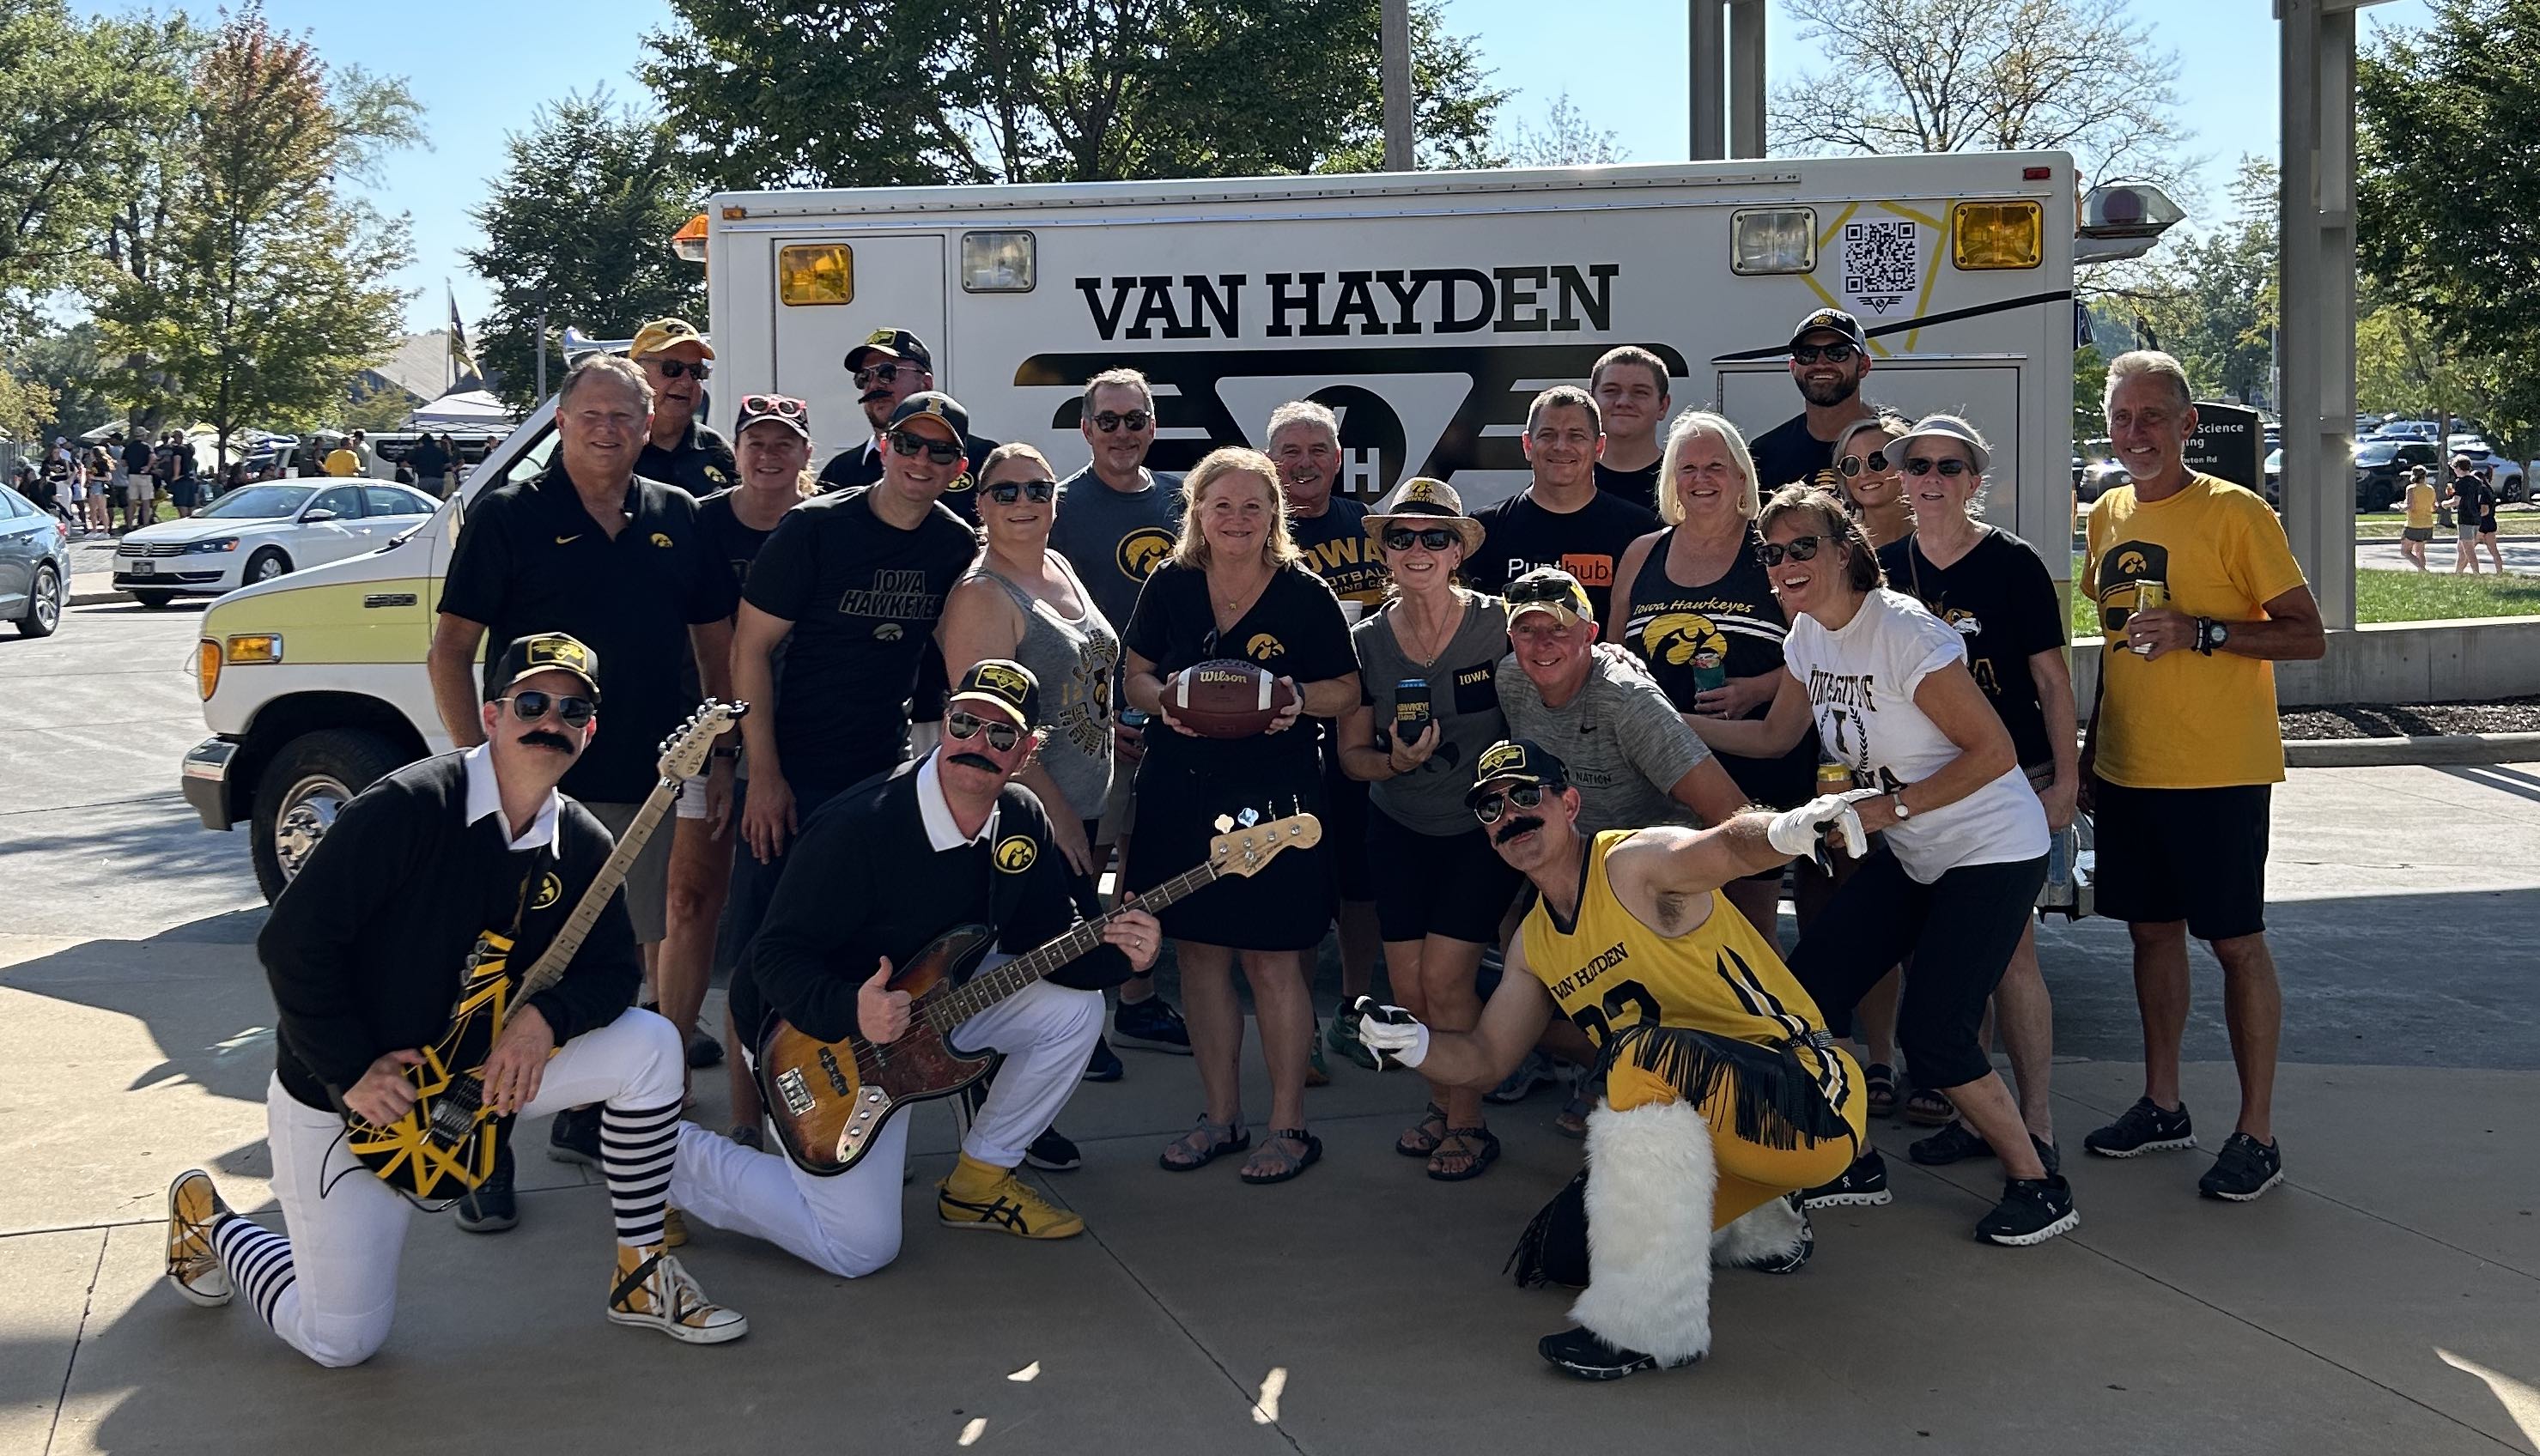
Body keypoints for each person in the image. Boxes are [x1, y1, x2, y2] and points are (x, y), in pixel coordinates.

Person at [162, 633, 747, 1362]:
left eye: (572, 711)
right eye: (532, 702)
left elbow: (607, 975)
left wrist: (544, 1020)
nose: (550, 721)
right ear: (492, 714)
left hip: (484, 1075)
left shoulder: (585, 843)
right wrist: (349, 1069)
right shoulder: (407, 807)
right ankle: (212, 1225)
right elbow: (292, 944)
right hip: (361, 1098)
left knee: (652, 1045)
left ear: (589, 733)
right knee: (340, 1339)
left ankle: (641, 1268)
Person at [1355, 739, 1874, 1380]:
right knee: (1563, 1255)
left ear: (1569, 803)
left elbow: (1726, 847)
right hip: (1716, 1122)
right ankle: (1768, 1222)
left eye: (1526, 796)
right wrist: (1420, 1046)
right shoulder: (1534, 942)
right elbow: (1487, 1059)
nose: (1510, 815)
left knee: (1634, 1056)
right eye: (1491, 808)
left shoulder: (1632, 864)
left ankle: (1646, 1328)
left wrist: (1790, 828)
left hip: (1807, 1097)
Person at [676, 661, 1160, 1269]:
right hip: (807, 1031)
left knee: (1073, 1011)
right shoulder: (859, 826)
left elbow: (1046, 943)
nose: (978, 745)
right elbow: (773, 958)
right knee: (859, 1249)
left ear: (1027, 752)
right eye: (965, 722)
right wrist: (852, 1007)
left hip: (929, 1009)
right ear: (944, 723)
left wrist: (1123, 954)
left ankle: (979, 1183)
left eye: (1002, 735)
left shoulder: (1022, 820)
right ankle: (661, 1155)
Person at [1703, 484, 2072, 1242]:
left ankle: (2038, 1184)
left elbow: (1995, 752)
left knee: (1935, 1033)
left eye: (1803, 547)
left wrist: (1886, 809)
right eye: (1772, 554)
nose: (1785, 564)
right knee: (1805, 996)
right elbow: (1776, 739)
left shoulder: (1903, 633)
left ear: (1846, 551)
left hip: (1990, 848)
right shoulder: (1805, 635)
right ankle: (1854, 1159)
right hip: (1910, 849)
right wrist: (1663, 717)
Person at [428, 355, 741, 1210]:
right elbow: (451, 651)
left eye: (625, 416)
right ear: (561, 422)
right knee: (501, 969)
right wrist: (478, 767)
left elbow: (715, 647)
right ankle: (480, 1153)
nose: (609, 428)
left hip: (644, 789)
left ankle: (585, 1114)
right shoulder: (506, 517)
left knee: (608, 965)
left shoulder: (678, 516)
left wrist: (717, 746)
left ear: (650, 427)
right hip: (528, 784)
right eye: (592, 414)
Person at [2081, 349, 2324, 1202]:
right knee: (2150, 935)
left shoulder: (2236, 512)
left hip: (2219, 768)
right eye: (2121, 417)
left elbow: (2307, 634)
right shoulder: (2106, 512)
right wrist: (2088, 755)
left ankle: (2257, 1133)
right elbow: (2117, 643)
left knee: (2234, 942)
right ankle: (2162, 1103)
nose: (2136, 433)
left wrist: (2207, 634)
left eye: (2153, 417)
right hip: (2129, 766)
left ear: (2188, 425)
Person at [1123, 446, 1360, 1184]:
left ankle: (1288, 1124)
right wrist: (1164, 702)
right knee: (1197, 955)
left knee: (1273, 958)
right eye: (1221, 504)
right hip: (1181, 787)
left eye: (1252, 506)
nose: (1236, 518)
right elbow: (1134, 674)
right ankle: (1220, 1116)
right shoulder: (1171, 584)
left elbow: (1346, 690)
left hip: (1276, 793)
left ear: (1274, 517)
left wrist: (1292, 699)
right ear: (1197, 510)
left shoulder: (1303, 592)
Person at [1875, 414, 2075, 1168]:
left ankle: (2037, 1124)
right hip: (1921, 793)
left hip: (2010, 785)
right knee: (1957, 963)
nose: (1931, 479)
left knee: (2012, 957)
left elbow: (2052, 682)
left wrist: (2066, 782)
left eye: (1949, 467)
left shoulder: (2012, 565)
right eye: (1918, 466)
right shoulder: (1884, 567)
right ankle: (1978, 1116)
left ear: (1975, 481)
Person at [725, 389, 980, 980]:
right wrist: (762, 776)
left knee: (853, 951)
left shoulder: (953, 544)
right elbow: (749, 648)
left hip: (877, 774)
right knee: (762, 953)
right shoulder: (813, 529)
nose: (922, 460)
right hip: (789, 771)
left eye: (941, 452)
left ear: (959, 469)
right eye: (910, 443)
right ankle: (748, 1075)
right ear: (885, 446)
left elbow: (961, 654)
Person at [1335, 477, 1521, 1179]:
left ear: (1457, 552)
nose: (1418, 548)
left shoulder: (1498, 624)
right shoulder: (1365, 643)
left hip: (1482, 828)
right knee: (1408, 986)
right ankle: (1443, 1102)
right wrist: (1392, 761)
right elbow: (1352, 759)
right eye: (1402, 536)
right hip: (1399, 825)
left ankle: (1469, 1125)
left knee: (1447, 979)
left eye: (1434, 536)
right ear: (1384, 550)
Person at [939, 440, 1127, 1108]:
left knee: (1061, 971)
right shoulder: (982, 595)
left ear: (1056, 499)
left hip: (1087, 803)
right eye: (1006, 491)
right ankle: (1000, 1128)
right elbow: (988, 738)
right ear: (980, 504)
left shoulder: (1059, 566)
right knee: (1019, 977)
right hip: (1026, 817)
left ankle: (1025, 1116)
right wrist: (1059, 816)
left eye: (1037, 489)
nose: (1024, 503)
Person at [659, 394, 817, 1127]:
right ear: (737, 450)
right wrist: (722, 756)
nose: (769, 455)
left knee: (775, 923)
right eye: (756, 441)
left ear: (805, 456)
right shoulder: (700, 522)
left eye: (785, 443)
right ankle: (666, 1078)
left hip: (792, 744)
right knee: (691, 905)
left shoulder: (821, 525)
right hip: (702, 742)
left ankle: (772, 1099)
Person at [1612, 412, 1820, 944]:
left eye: (1716, 467)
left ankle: (1760, 1026)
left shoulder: (1772, 550)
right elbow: (1613, 658)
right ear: (1672, 481)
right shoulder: (1641, 553)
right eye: (1689, 468)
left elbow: (1819, 651)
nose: (1702, 479)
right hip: (1654, 771)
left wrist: (1755, 689)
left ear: (1743, 478)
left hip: (1754, 761)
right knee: (1662, 924)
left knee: (1750, 931)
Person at [1045, 367, 1191, 1059]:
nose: (1123, 433)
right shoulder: (1062, 505)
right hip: (1091, 724)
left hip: (1170, 709)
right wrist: (1103, 718)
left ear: (1153, 427)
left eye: (1136, 420)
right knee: (1081, 860)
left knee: (1147, 864)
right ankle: (1070, 1005)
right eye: (1109, 421)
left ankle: (1134, 997)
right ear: (1086, 429)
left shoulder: (1179, 499)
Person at [1267, 399, 1386, 1077]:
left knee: (1359, 885)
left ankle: (1354, 1009)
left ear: (1339, 459)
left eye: (1318, 450)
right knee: (1296, 882)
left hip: (1359, 731)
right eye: (1290, 450)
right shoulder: (1251, 533)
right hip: (1280, 739)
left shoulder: (1371, 530)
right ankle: (1301, 1027)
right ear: (1269, 460)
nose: (1305, 463)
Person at [1467, 386, 1661, 622]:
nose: (1560, 446)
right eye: (1547, 435)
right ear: (1527, 445)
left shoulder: (1641, 532)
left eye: (1576, 436)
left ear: (1599, 447)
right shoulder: (1485, 530)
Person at [814, 328, 1000, 513]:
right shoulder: (840, 471)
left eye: (887, 372)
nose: (874, 384)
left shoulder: (983, 458)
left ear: (925, 384)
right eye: (864, 376)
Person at [1749, 308, 1876, 496]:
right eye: (1808, 354)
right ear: (1793, 367)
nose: (1821, 362)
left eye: (1837, 352)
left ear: (1864, 366)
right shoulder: (1764, 454)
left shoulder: (1899, 445)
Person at [629, 317, 738, 499]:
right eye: (672, 368)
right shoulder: (610, 443)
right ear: (635, 373)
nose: (687, 382)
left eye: (696, 371)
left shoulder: (715, 448)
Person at [1588, 346, 1674, 514]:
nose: (1623, 402)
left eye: (1640, 392)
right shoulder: (1565, 481)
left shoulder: (1684, 484)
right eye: (1611, 391)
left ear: (1663, 406)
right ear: (1591, 402)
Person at [1835, 413, 1914, 549]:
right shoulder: (1841, 549)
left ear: (1906, 465)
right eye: (1852, 464)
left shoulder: (1941, 535)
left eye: (1877, 460)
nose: (1864, 473)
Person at [2444, 458, 2494, 576]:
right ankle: (2458, 574)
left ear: (2459, 468)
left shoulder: (2461, 482)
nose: (2454, 471)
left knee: (2468, 549)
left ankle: (2477, 574)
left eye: (2454, 468)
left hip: (2465, 519)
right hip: (2476, 518)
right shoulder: (2477, 481)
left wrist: (2444, 504)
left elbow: (2456, 501)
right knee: (2461, 549)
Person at [408, 429, 454, 501]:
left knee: (425, 500)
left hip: (424, 479)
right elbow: (448, 464)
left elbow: (408, 463)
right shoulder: (440, 451)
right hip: (438, 480)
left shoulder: (418, 451)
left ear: (422, 442)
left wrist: (416, 467)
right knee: (437, 500)